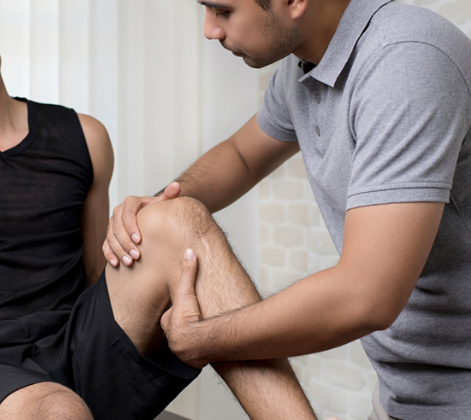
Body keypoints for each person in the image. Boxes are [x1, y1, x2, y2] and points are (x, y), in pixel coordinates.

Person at [0, 0, 318, 419]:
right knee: (54, 408)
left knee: (179, 217)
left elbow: (96, 272)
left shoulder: (85, 136)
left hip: (73, 345)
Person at [105, 0, 471, 419]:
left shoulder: (405, 63)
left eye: (222, 11)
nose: (208, 29)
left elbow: (366, 296)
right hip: (401, 395)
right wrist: (162, 203)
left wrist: (204, 338)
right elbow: (242, 155)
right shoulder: (305, 66)